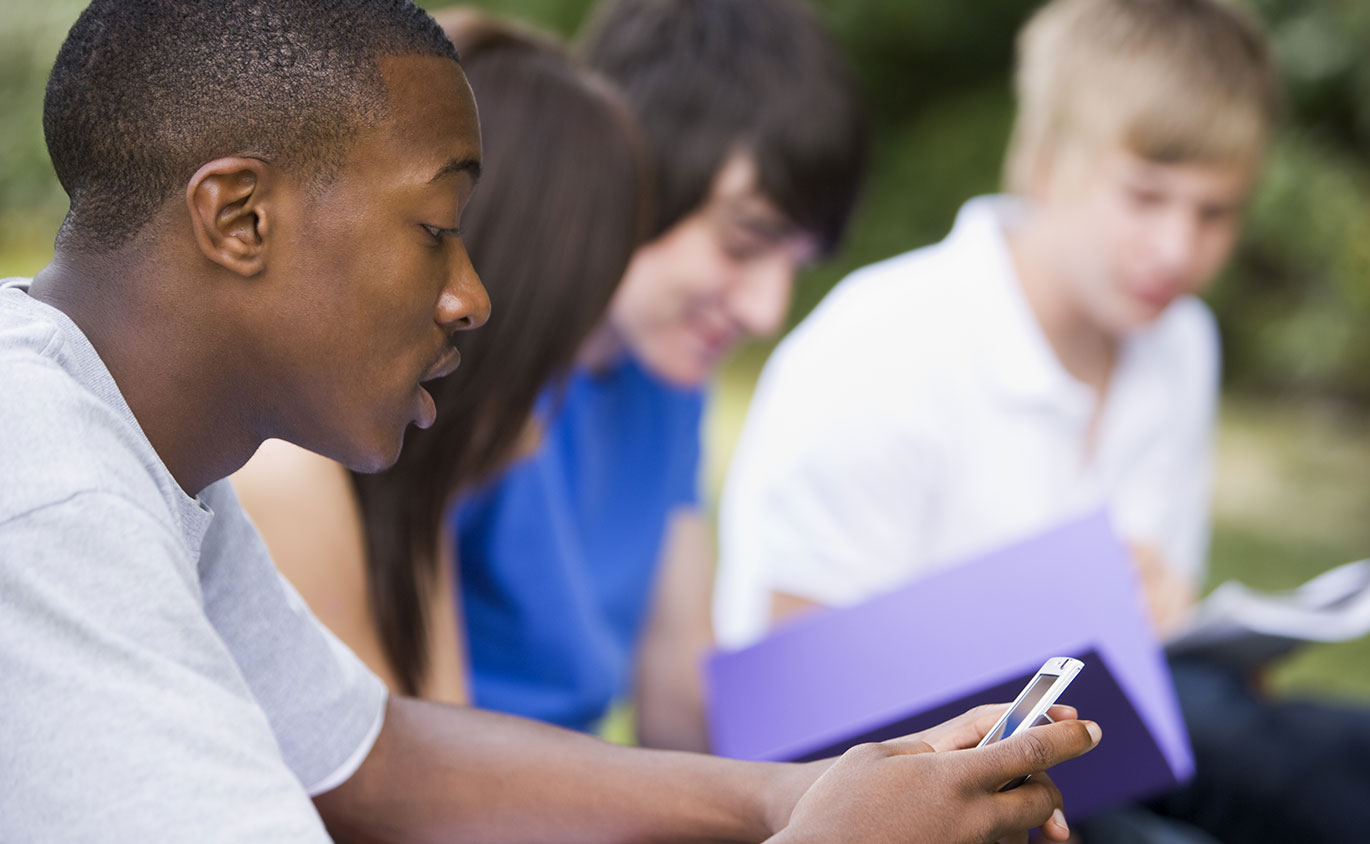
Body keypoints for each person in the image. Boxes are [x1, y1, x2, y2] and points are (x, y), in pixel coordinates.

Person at [0, 1, 1100, 842]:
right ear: (239, 217)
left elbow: (371, 753)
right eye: (436, 228)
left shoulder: (149, 458)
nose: (471, 296)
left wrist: (796, 791)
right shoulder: (47, 504)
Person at [712, 0, 1370, 841]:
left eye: (1215, 213)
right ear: (1047, 166)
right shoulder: (880, 343)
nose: (1175, 250)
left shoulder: (1178, 343)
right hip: (912, 797)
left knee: (1261, 740)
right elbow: (785, 689)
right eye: (1146, 197)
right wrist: (1041, 611)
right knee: (1280, 757)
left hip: (1114, 752)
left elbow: (1157, 633)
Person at [451, 0, 869, 752]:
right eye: (744, 243)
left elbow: (680, 690)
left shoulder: (667, 379)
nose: (767, 310)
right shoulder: (464, 354)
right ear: (631, 161)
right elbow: (415, 747)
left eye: (794, 265)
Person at [232, 10, 648, 704]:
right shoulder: (283, 476)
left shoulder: (408, 500)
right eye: (544, 365)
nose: (537, 430)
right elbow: (384, 801)